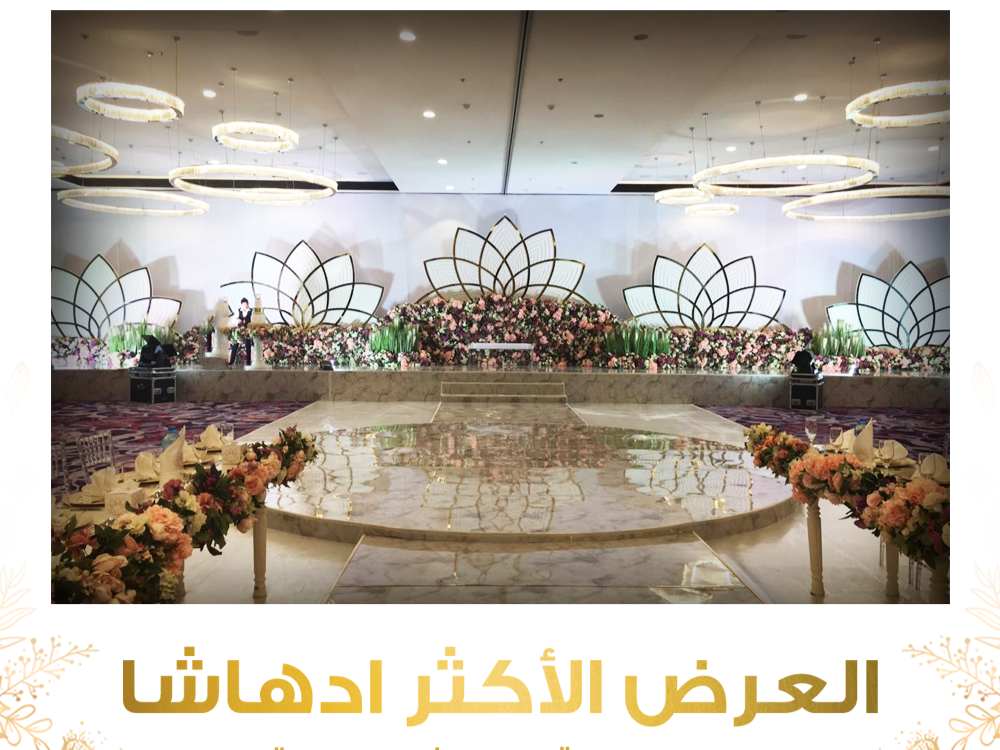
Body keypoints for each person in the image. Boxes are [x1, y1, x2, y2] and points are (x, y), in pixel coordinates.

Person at [229, 297, 252, 366]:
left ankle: (248, 363)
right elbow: (233, 320)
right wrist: (237, 320)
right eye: (243, 305)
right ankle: (231, 361)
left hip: (248, 331)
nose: (245, 306)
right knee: (235, 345)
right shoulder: (238, 311)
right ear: (241, 305)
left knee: (248, 346)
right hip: (239, 331)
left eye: (246, 305)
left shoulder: (251, 311)